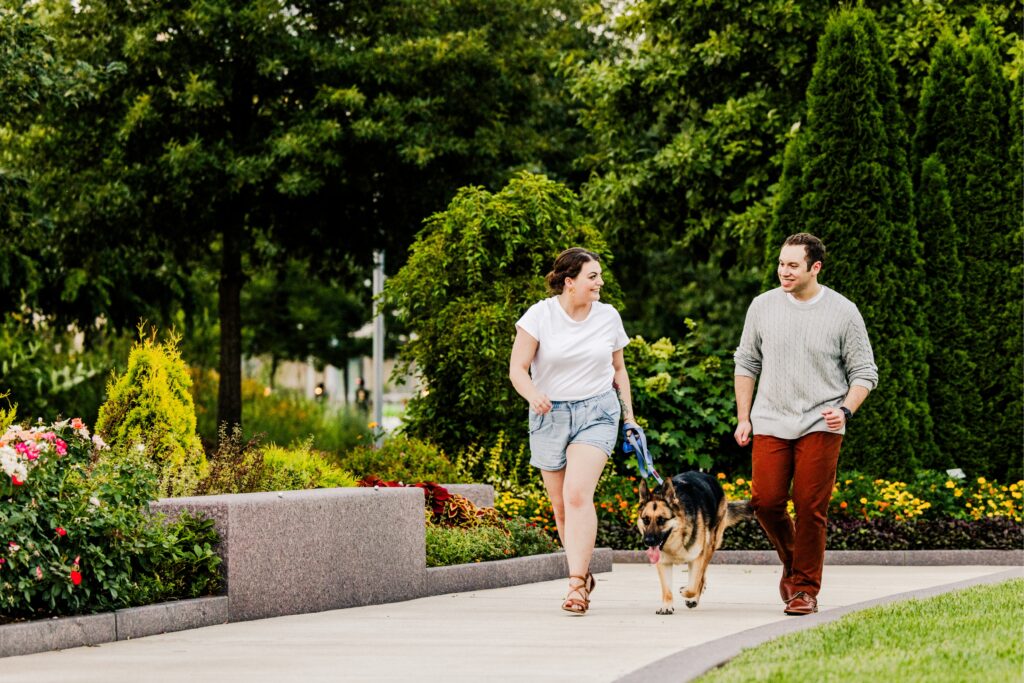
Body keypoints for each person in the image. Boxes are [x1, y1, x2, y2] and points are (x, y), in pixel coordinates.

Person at [733, 233, 878, 616]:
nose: (784, 271)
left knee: (810, 505)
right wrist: (743, 416)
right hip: (770, 418)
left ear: (815, 267)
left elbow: (865, 372)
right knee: (765, 502)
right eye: (781, 264)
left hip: (822, 420)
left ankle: (804, 589)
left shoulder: (843, 311)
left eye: (793, 265)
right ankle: (796, 563)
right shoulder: (762, 306)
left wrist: (845, 410)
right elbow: (746, 362)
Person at [509, 247, 636, 615]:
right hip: (549, 415)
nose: (600, 282)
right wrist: (534, 394)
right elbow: (518, 368)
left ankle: (576, 585)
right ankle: (580, 569)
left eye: (599, 275)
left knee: (578, 494)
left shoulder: (608, 316)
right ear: (569, 282)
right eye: (592, 276)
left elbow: (618, 370)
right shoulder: (540, 315)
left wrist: (629, 417)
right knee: (561, 507)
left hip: (597, 411)